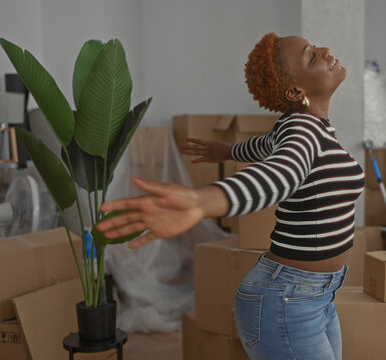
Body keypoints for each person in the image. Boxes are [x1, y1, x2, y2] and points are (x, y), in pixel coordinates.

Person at [97, 32, 365, 360]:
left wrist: (227, 150)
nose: (324, 50)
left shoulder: (304, 128)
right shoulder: (303, 132)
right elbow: (280, 173)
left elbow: (265, 146)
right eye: (311, 56)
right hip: (288, 300)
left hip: (315, 295)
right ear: (295, 91)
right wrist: (203, 201)